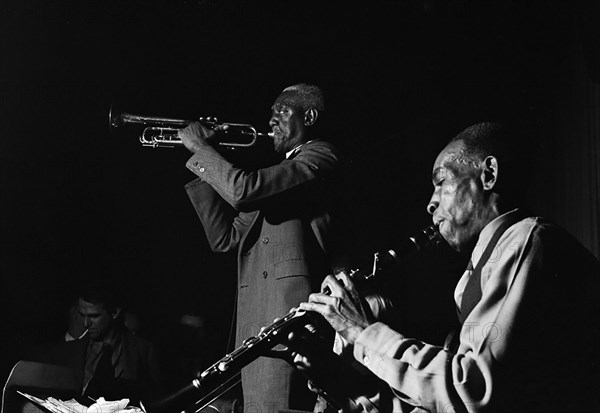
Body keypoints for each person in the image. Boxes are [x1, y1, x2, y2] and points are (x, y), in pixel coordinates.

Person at [297, 122, 600, 412]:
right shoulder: (479, 273)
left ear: (489, 174)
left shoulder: (525, 240)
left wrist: (363, 332)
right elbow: (443, 402)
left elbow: (473, 393)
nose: (431, 203)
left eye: (441, 182)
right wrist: (335, 378)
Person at [179, 83, 340, 412]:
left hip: (288, 325)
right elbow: (224, 239)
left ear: (308, 116)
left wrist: (203, 151)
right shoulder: (276, 179)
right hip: (254, 331)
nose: (271, 121)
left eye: (281, 111)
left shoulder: (321, 155)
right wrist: (204, 162)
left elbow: (242, 191)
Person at [40, 279, 162, 403]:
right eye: (82, 315)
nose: (86, 323)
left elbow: (154, 398)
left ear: (114, 312)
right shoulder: (63, 353)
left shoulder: (143, 350)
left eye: (94, 316)